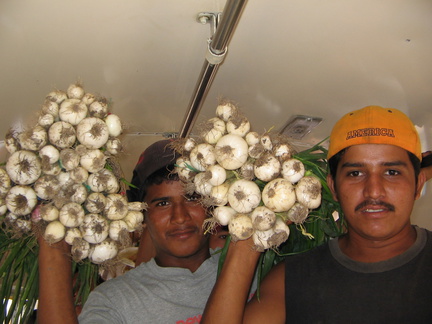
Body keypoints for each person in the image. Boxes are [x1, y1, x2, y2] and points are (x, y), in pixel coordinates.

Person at [201, 105, 432, 324]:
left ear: (418, 184)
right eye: (355, 173)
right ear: (333, 187)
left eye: (391, 172)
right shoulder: (292, 279)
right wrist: (248, 235)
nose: (373, 190)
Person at [37, 139, 225, 323]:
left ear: (211, 204)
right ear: (142, 217)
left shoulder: (243, 270)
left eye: (191, 198)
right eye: (163, 203)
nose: (180, 216)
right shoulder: (114, 300)